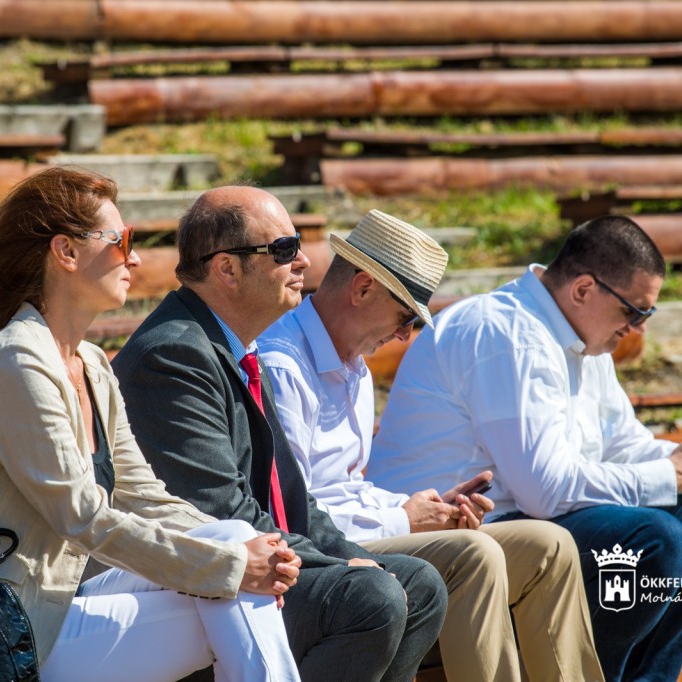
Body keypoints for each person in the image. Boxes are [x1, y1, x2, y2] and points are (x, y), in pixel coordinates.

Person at [0, 167, 303, 682]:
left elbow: (143, 495)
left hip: (60, 600)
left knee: (234, 539)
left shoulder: (91, 364)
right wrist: (232, 567)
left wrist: (257, 551)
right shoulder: (15, 362)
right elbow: (84, 518)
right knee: (232, 585)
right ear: (66, 251)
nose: (136, 258)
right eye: (122, 240)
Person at [368, 214, 682, 681]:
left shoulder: (581, 337)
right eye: (634, 312)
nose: (639, 329)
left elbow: (623, 444)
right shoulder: (506, 334)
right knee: (650, 540)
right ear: (583, 289)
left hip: (522, 523)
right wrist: (674, 474)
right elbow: (545, 490)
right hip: (457, 539)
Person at [113, 186, 448, 682]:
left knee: (417, 585)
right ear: (227, 269)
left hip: (244, 570)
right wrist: (334, 568)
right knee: (372, 598)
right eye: (284, 250)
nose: (304, 263)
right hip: (190, 588)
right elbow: (219, 508)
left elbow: (292, 496)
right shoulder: (173, 356)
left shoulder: (234, 348)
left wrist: (352, 558)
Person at [257, 209, 605, 682]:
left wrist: (425, 509)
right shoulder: (282, 367)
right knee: (474, 555)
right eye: (406, 316)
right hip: (316, 556)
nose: (405, 334)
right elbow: (290, 513)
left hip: (355, 536)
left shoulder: (353, 366)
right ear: (362, 289)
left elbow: (346, 488)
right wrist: (404, 519)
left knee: (550, 544)